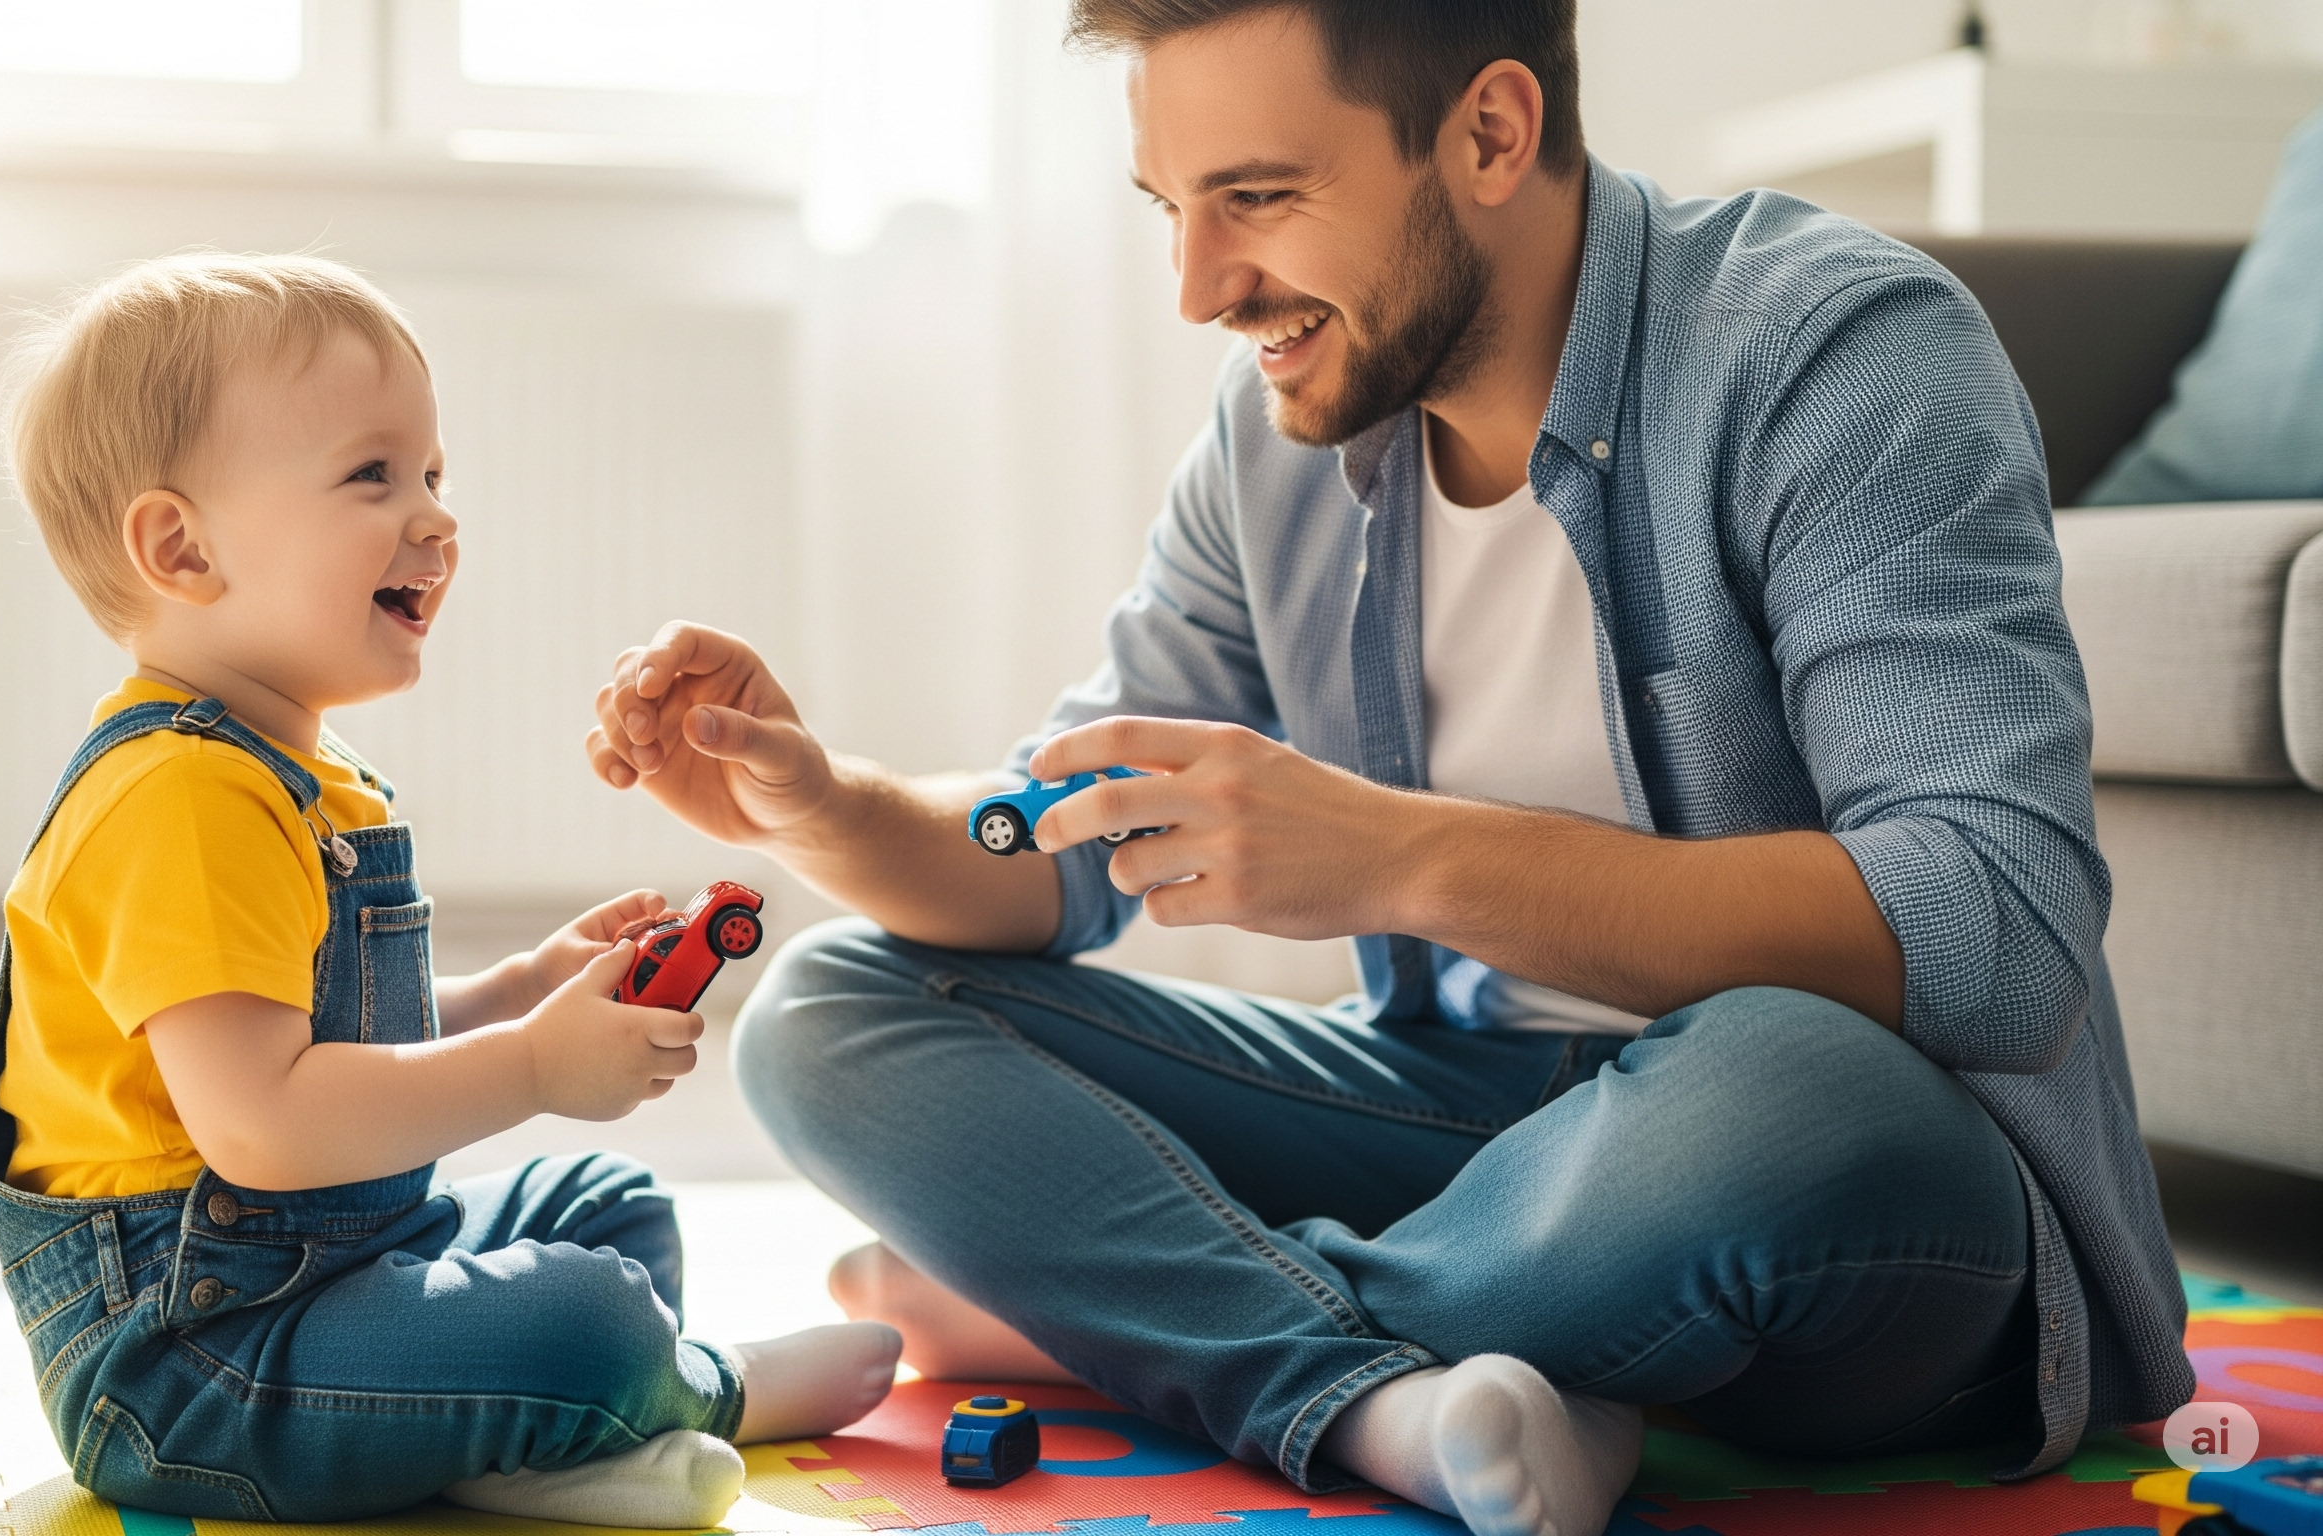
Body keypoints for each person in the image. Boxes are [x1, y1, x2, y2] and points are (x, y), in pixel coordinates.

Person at [583, 5, 2193, 1535]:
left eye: (1259, 198)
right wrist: (823, 801)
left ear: (1491, 130)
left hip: (1832, 1181)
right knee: (834, 1010)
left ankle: (1114, 1311)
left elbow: (1993, 934)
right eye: (1169, 207)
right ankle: (1375, 1381)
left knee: (1781, 1089)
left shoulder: (1835, 351)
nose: (1202, 286)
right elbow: (1060, 849)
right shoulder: (1272, 433)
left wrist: (1397, 857)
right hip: (1473, 1132)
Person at [0, 252, 899, 1527]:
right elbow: (266, 1125)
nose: (437, 518)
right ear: (181, 546)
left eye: (434, 475)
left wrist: (522, 992)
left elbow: (334, 1047)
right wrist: (528, 1066)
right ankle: (694, 1390)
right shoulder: (174, 797)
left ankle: (501, 1439)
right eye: (373, 476)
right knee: (588, 1314)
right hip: (197, 1365)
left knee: (602, 1205)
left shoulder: (303, 771)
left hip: (325, 1271)